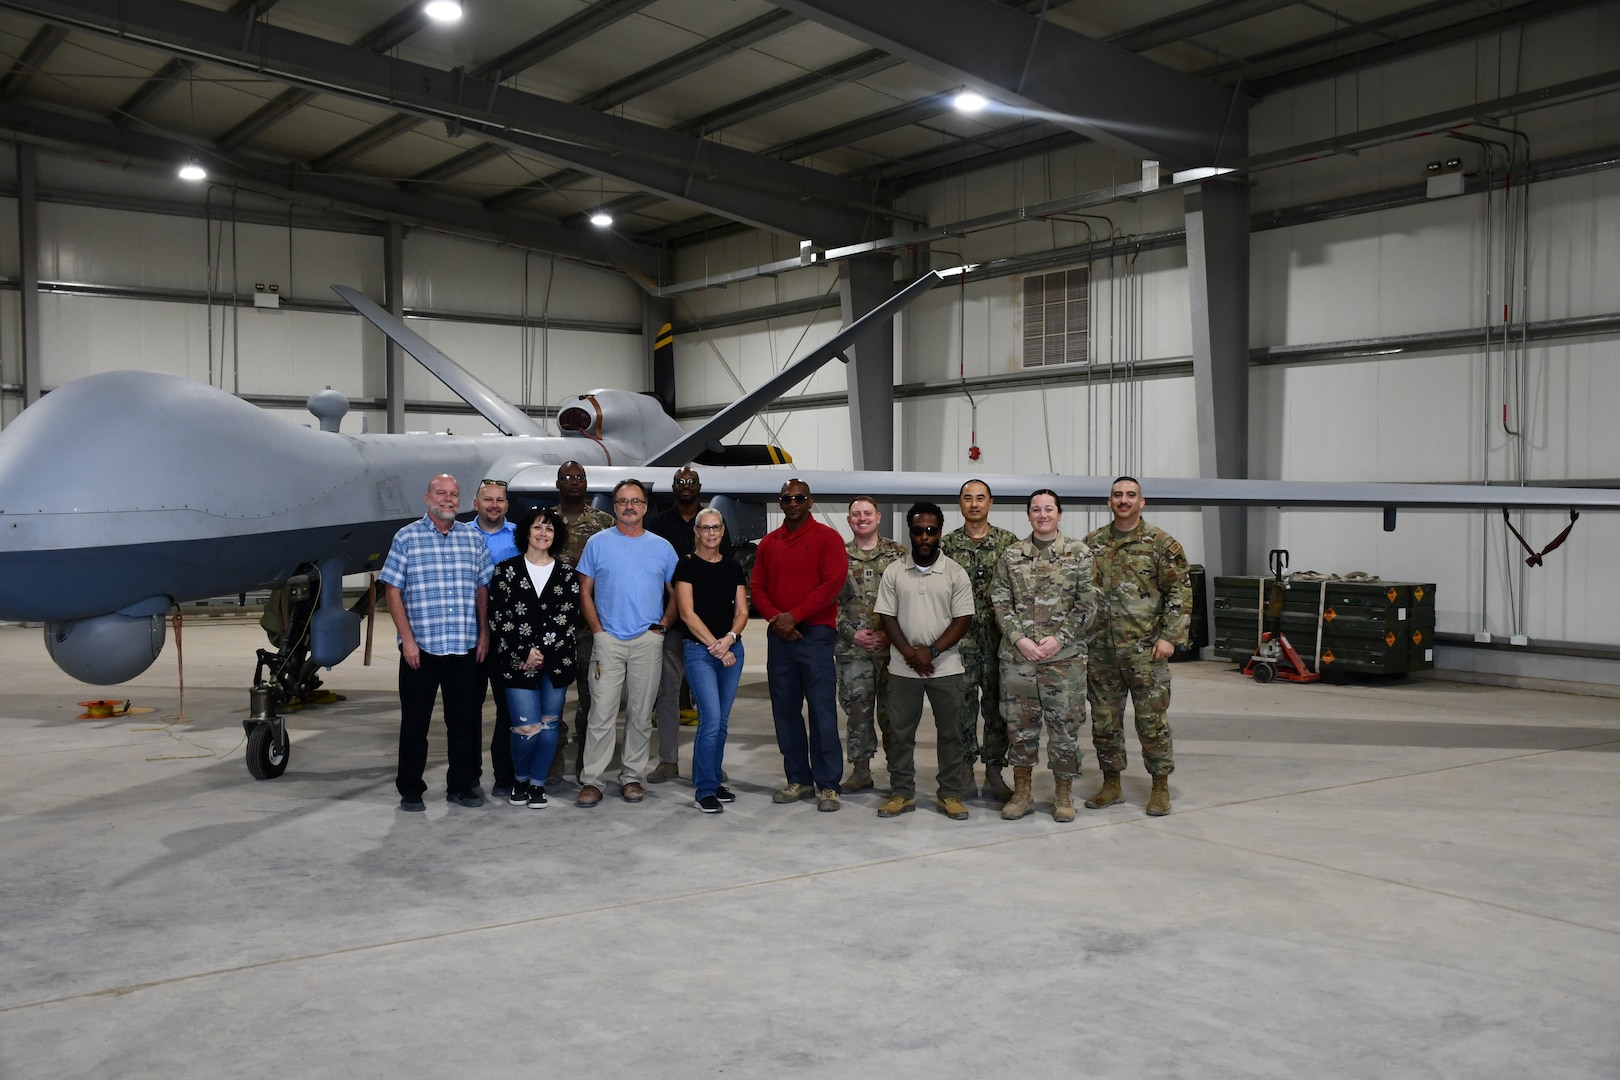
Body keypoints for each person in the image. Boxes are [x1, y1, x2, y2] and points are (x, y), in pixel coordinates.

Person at [380, 473, 493, 812]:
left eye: (454, 494)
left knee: (464, 723)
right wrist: (408, 641)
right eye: (441, 493)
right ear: (427, 498)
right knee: (416, 723)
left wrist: (484, 633)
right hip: (422, 649)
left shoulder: (472, 540)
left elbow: (482, 589)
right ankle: (411, 789)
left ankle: (460, 786)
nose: (448, 499)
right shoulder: (407, 538)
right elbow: (392, 591)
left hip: (463, 645)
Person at [1083, 476, 1192, 817]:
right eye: (1118, 495)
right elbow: (1081, 594)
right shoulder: (1092, 544)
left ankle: (1160, 787)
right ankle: (1112, 784)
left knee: (1151, 721)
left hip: (1146, 650)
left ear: (1141, 502)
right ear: (1109, 502)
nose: (1124, 500)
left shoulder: (1161, 544)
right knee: (1104, 722)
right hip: (1101, 650)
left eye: (1131, 495)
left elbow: (1180, 591)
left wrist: (1170, 637)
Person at [990, 489, 1096, 822]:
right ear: (1029, 515)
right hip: (1018, 660)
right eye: (1036, 509)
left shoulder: (1079, 554)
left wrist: (1059, 639)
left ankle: (1063, 794)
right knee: (1020, 728)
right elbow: (1000, 601)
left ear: (1059, 514)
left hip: (1064, 661)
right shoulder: (1011, 555)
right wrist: (1019, 639)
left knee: (1064, 729)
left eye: (1049, 509)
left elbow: (1087, 604)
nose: (1042, 514)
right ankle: (1023, 794)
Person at [575, 478, 678, 807]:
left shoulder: (662, 547)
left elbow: (678, 594)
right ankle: (593, 779)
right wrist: (598, 631)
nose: (629, 506)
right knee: (601, 712)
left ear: (645, 507)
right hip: (608, 642)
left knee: (640, 713)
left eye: (635, 501)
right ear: (614, 507)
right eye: (622, 501)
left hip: (647, 641)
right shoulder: (598, 543)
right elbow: (585, 591)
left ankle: (631, 775)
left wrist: (660, 628)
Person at [750, 479, 848, 812]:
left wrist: (797, 616)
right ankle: (799, 779)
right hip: (780, 638)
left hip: (816, 636)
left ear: (810, 502)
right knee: (785, 711)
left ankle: (829, 785)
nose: (793, 503)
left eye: (800, 498)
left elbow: (832, 583)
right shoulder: (768, 543)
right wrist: (778, 619)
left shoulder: (828, 539)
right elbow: (757, 586)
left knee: (821, 711)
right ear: (781, 503)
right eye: (788, 498)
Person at [873, 502, 976, 820]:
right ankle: (902, 793)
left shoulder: (955, 572)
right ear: (911, 532)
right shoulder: (894, 571)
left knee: (951, 734)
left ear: (940, 533)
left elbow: (963, 620)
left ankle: (949, 794)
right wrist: (909, 653)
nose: (925, 536)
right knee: (900, 733)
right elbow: (886, 616)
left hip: (945, 667)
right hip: (903, 668)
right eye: (918, 530)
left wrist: (930, 652)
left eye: (931, 530)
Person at [488, 507, 578, 809]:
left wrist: (540, 650)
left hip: (556, 661)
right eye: (538, 527)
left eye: (550, 529)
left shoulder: (566, 574)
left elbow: (567, 616)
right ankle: (521, 780)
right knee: (526, 728)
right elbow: (499, 616)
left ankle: (538, 784)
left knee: (550, 725)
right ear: (527, 531)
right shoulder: (506, 571)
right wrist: (525, 651)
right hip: (517, 661)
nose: (543, 534)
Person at [646, 467, 733, 783]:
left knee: (714, 704)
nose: (686, 486)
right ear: (673, 487)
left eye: (691, 482)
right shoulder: (658, 525)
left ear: (699, 487)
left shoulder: (715, 522)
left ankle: (710, 763)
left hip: (710, 632)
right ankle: (668, 761)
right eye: (680, 482)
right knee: (667, 694)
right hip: (673, 624)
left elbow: (728, 573)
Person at [940, 479, 1020, 803]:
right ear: (959, 503)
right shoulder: (946, 547)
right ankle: (963, 772)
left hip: (1000, 642)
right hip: (960, 643)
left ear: (991, 502)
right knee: (961, 709)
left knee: (998, 708)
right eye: (968, 498)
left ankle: (994, 772)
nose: (974, 504)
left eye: (980, 498)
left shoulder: (1008, 543)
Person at [672, 507, 748, 814]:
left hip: (731, 650)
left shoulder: (732, 568)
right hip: (700, 651)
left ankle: (714, 780)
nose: (711, 533)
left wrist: (729, 639)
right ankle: (704, 789)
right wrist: (715, 646)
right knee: (711, 720)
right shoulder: (686, 567)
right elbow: (687, 614)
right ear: (697, 532)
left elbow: (742, 612)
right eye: (705, 528)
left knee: (723, 723)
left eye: (716, 527)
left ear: (723, 530)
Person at [835, 496, 906, 793]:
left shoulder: (898, 555)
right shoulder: (837, 555)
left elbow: (911, 597)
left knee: (894, 713)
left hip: (893, 650)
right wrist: (852, 634)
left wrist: (891, 634)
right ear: (850, 520)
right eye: (856, 514)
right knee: (858, 712)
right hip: (853, 651)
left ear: (878, 517)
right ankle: (861, 770)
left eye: (867, 513)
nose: (862, 518)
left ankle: (899, 773)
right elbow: (828, 602)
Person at [553, 460, 615, 786]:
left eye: (579, 477)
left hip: (590, 623)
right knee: (553, 694)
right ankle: (554, 753)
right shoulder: (545, 523)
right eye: (567, 477)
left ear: (587, 483)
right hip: (553, 624)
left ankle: (584, 758)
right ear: (558, 483)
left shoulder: (605, 523)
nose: (574, 482)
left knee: (591, 694)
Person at [470, 479, 521, 798]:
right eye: (487, 499)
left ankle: (505, 776)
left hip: (508, 637)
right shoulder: (459, 535)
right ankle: (469, 777)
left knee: (508, 709)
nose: (494, 505)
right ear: (476, 504)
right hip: (469, 637)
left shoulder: (520, 536)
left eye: (499, 500)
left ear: (506, 504)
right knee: (468, 711)